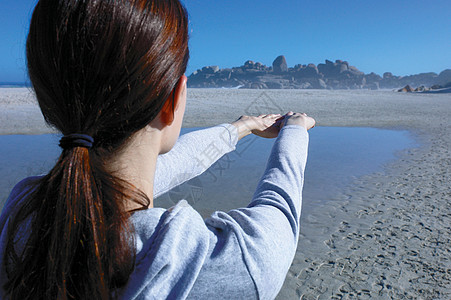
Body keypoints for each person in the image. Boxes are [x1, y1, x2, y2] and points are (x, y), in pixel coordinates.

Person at [0, 0, 315, 299]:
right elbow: (276, 227)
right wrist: (295, 131)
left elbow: (166, 166)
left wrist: (241, 127)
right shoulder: (181, 263)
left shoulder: (23, 213)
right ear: (173, 100)